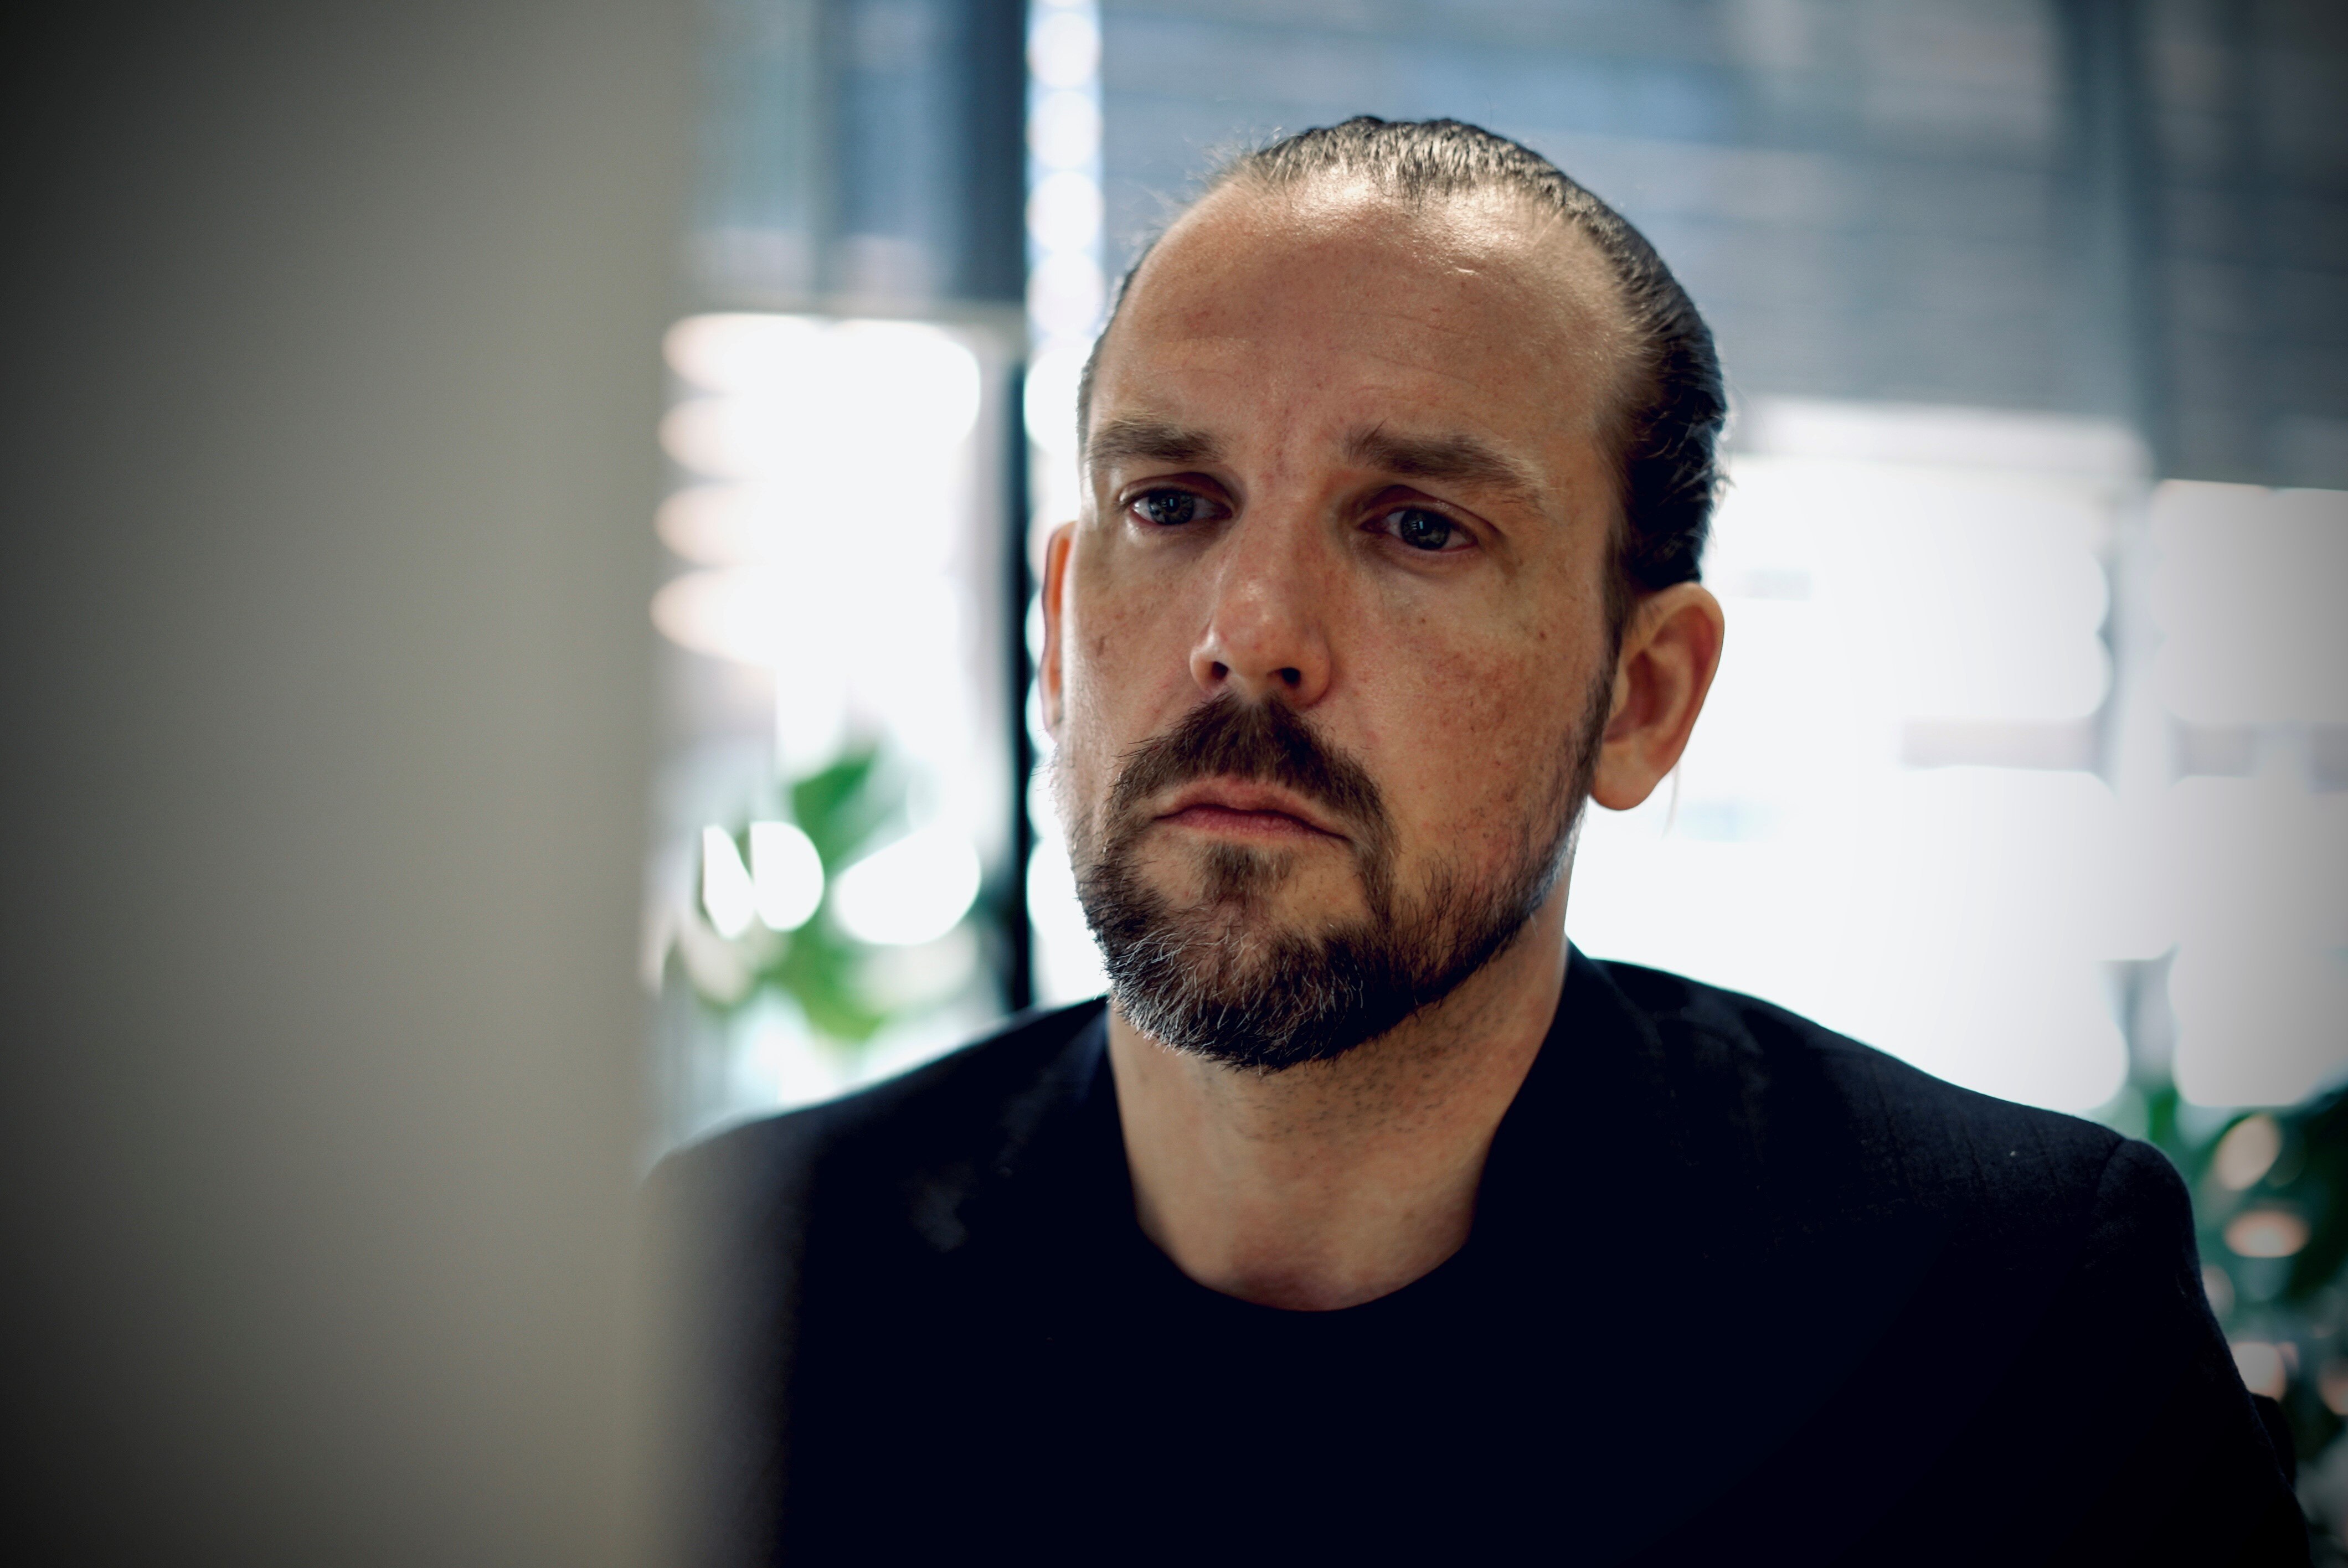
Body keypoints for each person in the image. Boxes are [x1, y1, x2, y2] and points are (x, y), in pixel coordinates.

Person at [657, 118, 2305, 1565]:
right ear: (1062, 620)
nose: (1252, 633)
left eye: (1420, 526)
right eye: (1172, 500)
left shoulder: (2006, 1325)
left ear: (1643, 698)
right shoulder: (736, 1290)